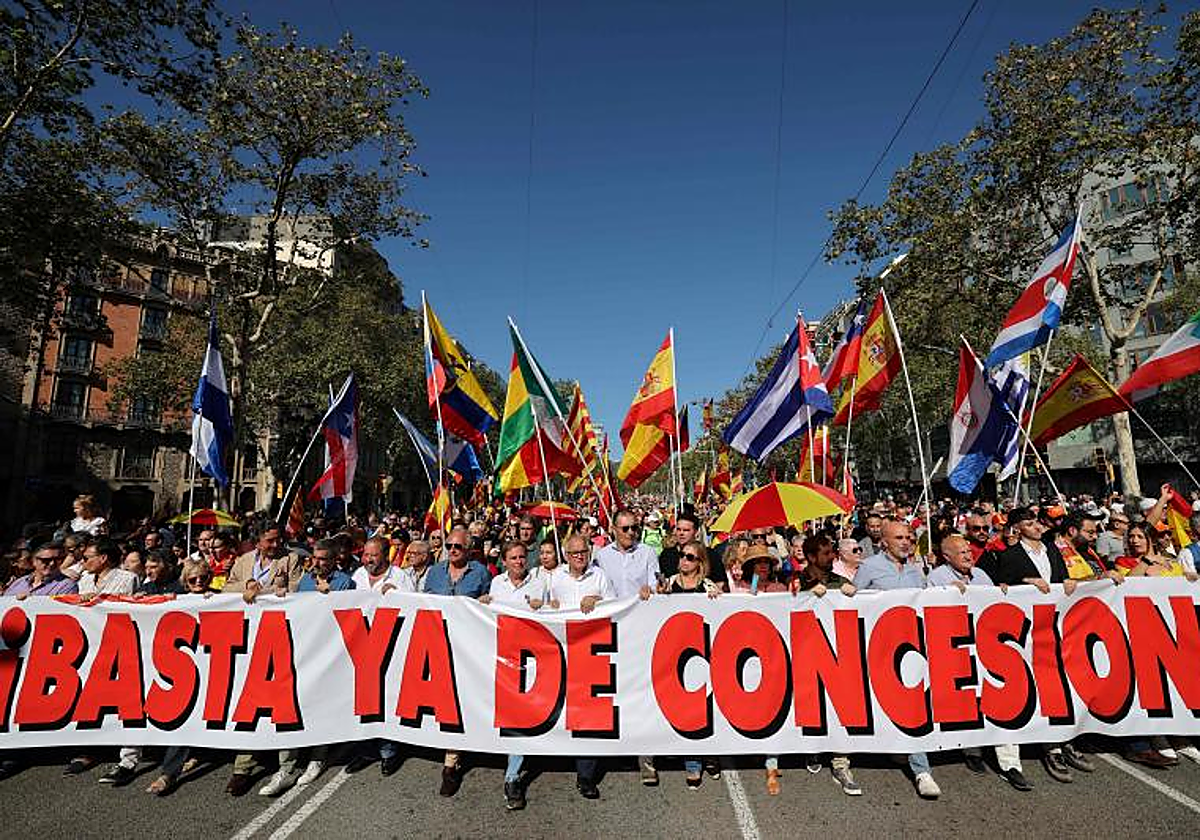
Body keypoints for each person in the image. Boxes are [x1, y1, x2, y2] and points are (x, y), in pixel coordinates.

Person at [984, 507, 1100, 784]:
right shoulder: (1008, 556)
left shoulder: (1052, 550)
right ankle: (1011, 762)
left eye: (1037, 522)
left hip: (1053, 630)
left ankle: (1057, 747)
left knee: (1055, 689)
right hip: (1019, 635)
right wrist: (1023, 582)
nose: (1037, 526)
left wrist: (1069, 582)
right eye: (1029, 523)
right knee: (1016, 692)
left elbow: (1061, 580)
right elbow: (995, 589)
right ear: (1017, 528)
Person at [854, 520, 941, 799]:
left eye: (910, 538)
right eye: (900, 538)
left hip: (912, 647)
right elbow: (852, 601)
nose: (906, 542)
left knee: (914, 701)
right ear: (884, 542)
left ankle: (921, 770)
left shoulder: (917, 571)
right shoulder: (869, 567)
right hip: (879, 647)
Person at [221, 526, 305, 797]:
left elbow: (296, 587)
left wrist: (268, 589)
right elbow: (227, 589)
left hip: (280, 635)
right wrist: (246, 587)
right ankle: (242, 766)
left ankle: (286, 765)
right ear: (256, 542)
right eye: (269, 540)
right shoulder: (244, 562)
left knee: (283, 700)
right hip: (248, 638)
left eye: (277, 539)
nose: (275, 543)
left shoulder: (290, 559)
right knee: (248, 700)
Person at [423, 525, 491, 796]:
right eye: (449, 546)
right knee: (444, 701)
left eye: (458, 547)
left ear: (469, 549)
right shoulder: (435, 572)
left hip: (469, 648)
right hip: (438, 644)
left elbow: (489, 609)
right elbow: (423, 602)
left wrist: (487, 602)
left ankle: (452, 761)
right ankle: (449, 756)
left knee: (462, 700)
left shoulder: (481, 573)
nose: (452, 551)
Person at [592, 509, 659, 785]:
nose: (631, 533)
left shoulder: (647, 554)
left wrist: (651, 590)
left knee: (642, 694)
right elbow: (594, 587)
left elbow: (657, 585)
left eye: (634, 528)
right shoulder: (601, 557)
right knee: (613, 692)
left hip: (640, 633)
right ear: (613, 529)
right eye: (625, 528)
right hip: (609, 632)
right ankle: (616, 746)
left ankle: (646, 757)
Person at [792, 534, 860, 796]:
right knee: (810, 704)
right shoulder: (795, 580)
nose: (832, 557)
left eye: (832, 553)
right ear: (810, 557)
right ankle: (813, 749)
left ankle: (841, 761)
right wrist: (804, 593)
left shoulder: (839, 581)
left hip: (837, 655)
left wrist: (853, 595)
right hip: (805, 654)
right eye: (825, 554)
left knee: (839, 705)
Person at [480, 541, 546, 810]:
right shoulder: (496, 584)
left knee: (519, 717)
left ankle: (512, 777)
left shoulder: (538, 583)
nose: (519, 561)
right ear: (504, 561)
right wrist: (482, 604)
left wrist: (545, 606)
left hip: (531, 661)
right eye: (513, 558)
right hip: (500, 658)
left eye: (522, 557)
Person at [547, 534, 613, 799]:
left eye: (583, 552)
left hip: (590, 651)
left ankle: (586, 775)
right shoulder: (553, 578)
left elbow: (616, 606)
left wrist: (598, 600)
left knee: (588, 714)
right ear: (565, 554)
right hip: (559, 650)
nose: (579, 556)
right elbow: (537, 605)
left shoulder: (599, 577)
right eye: (574, 553)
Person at [4, 541, 77, 597]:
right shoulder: (19, 583)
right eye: (46, 560)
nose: (52, 563)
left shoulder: (66, 585)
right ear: (33, 561)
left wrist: (31, 601)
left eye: (58, 559)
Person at [656, 511, 701, 577]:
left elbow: (719, 583)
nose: (681, 533)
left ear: (696, 532)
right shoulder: (666, 554)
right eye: (678, 529)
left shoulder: (707, 554)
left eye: (686, 530)